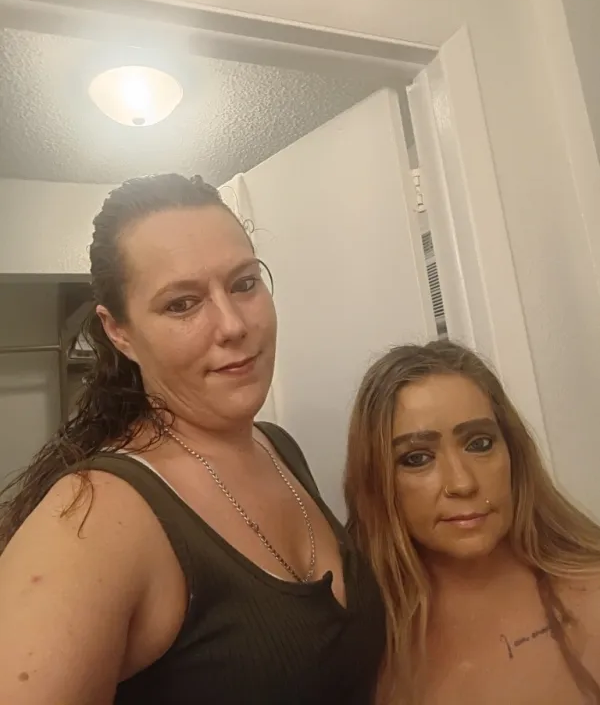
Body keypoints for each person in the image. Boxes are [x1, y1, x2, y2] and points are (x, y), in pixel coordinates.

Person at [0, 174, 385, 705]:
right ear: (119, 332)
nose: (232, 325)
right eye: (182, 304)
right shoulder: (91, 518)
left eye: (244, 284)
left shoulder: (278, 448)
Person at [345, 340, 600, 705]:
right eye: (417, 458)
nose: (462, 483)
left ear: (513, 452)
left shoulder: (591, 591)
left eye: (479, 444)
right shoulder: (362, 643)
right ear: (377, 482)